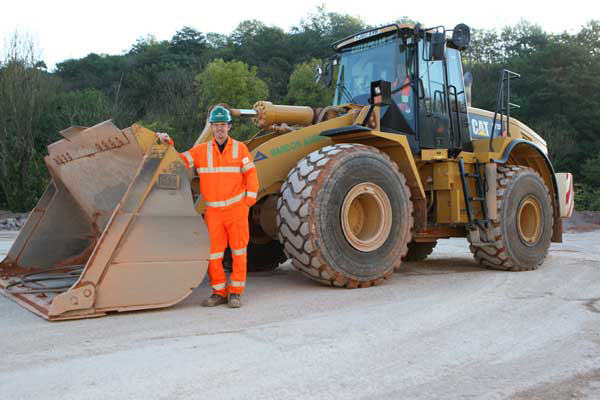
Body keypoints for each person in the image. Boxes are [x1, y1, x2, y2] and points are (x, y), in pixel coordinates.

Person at [157, 105, 258, 308]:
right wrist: (167, 144)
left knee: (239, 252)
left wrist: (248, 202)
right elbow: (180, 161)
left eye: (223, 125)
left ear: (229, 126)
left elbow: (251, 176)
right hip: (213, 212)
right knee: (213, 254)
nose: (220, 128)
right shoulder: (202, 151)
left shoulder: (240, 149)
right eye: (216, 125)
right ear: (211, 127)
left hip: (236, 210)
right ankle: (219, 292)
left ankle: (235, 292)